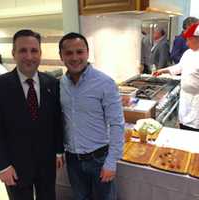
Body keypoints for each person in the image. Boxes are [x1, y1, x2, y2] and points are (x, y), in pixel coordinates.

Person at [0, 29, 64, 200]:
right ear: (14, 54)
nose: (29, 56)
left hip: (47, 164)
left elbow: (56, 120)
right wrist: (2, 165)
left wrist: (58, 151)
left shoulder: (51, 83)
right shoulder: (1, 86)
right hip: (15, 166)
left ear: (40, 53)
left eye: (34, 50)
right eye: (23, 50)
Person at [59, 32, 124, 200]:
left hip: (99, 159)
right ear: (61, 56)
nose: (75, 57)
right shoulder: (60, 84)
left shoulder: (104, 83)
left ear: (87, 53)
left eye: (79, 52)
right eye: (69, 53)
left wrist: (111, 162)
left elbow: (117, 123)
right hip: (72, 160)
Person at [153, 22, 199, 131]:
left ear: (197, 39)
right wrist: (163, 70)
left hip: (197, 102)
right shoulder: (188, 53)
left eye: (188, 40)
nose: (186, 43)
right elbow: (180, 67)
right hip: (186, 100)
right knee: (184, 126)